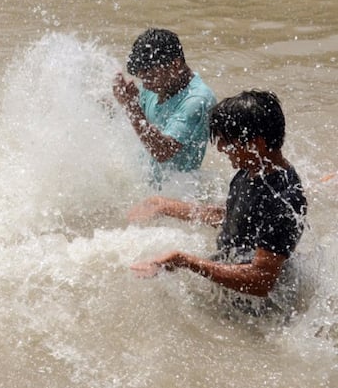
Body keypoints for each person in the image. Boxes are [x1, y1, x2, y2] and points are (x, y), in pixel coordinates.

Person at [129, 91, 308, 312]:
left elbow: (262, 280)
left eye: (227, 141)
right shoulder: (252, 170)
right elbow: (236, 218)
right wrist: (167, 206)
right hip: (231, 290)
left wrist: (186, 262)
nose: (221, 148)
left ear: (257, 143)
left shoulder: (283, 201)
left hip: (256, 315)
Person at [112, 28, 216, 183]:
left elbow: (162, 151)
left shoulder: (197, 100)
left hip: (176, 195)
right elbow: (137, 121)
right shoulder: (158, 84)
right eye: (142, 78)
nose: (145, 85)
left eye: (150, 76)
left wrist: (131, 107)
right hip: (143, 184)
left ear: (175, 64)